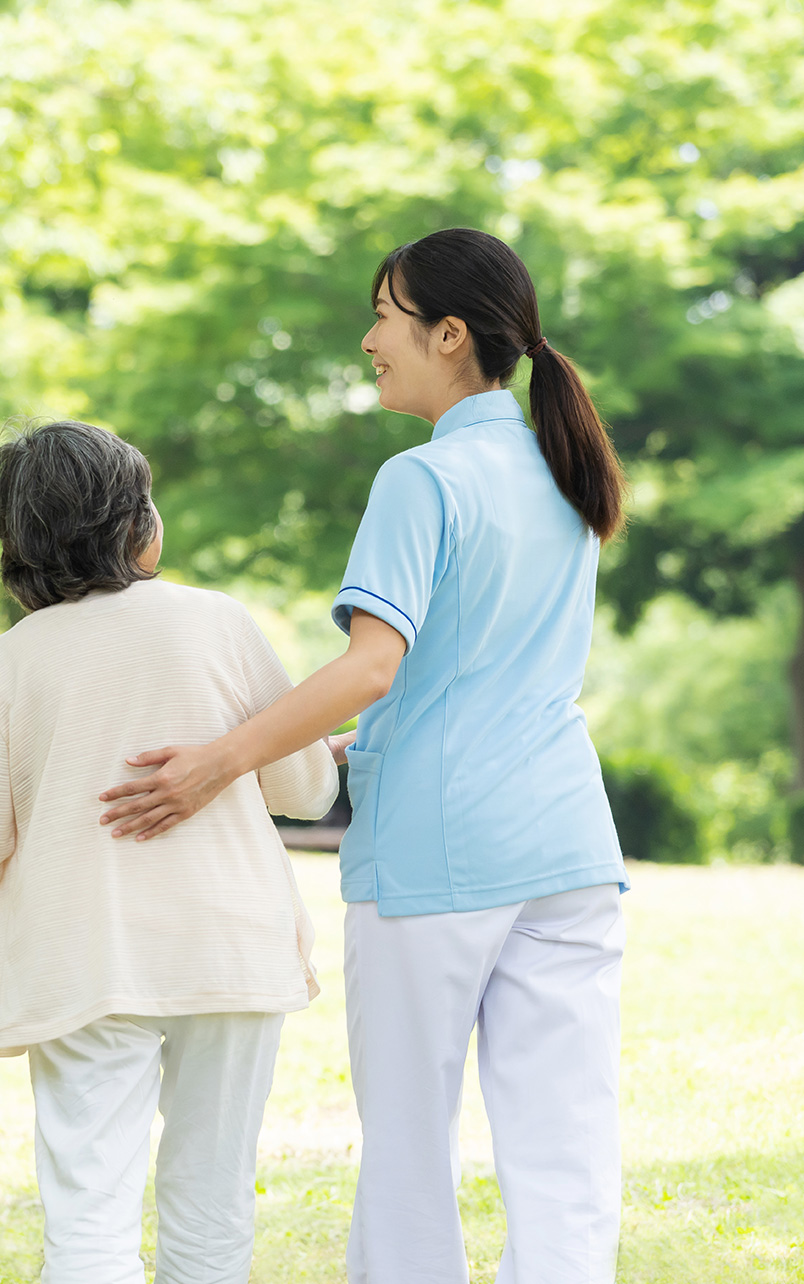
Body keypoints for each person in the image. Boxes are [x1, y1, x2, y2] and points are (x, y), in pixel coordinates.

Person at [97, 228, 630, 1283]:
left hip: (438, 859)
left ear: (446, 333)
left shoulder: (422, 480)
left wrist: (218, 762)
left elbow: (370, 666)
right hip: (567, 849)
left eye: (384, 314)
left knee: (407, 1153)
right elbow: (473, 667)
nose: (367, 337)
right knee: (564, 1147)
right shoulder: (564, 471)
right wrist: (359, 737)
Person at [0, 420, 338, 1284]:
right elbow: (304, 793)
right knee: (213, 1200)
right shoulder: (219, 623)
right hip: (229, 950)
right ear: (141, 527)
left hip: (88, 956)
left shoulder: (8, 662)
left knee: (89, 1212)